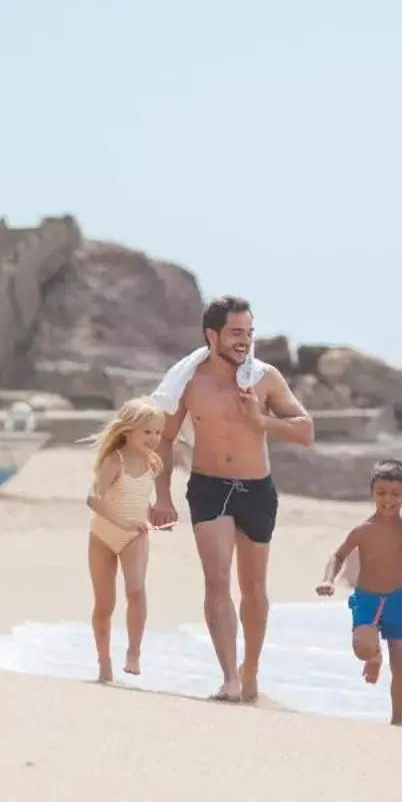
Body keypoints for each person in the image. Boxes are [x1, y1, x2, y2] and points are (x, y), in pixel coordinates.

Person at [149, 295, 315, 702]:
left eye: (249, 333)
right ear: (212, 334)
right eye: (236, 333)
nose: (245, 341)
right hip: (209, 487)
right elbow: (165, 439)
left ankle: (251, 671)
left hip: (256, 490)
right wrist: (162, 497)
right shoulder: (188, 380)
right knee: (217, 579)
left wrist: (261, 420)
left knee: (254, 587)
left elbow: (306, 430)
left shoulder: (264, 378)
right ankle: (229, 677)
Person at [317, 459, 402, 726]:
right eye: (381, 492)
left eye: (396, 494)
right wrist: (328, 579)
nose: (388, 500)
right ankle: (374, 656)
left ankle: (397, 720)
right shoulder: (363, 531)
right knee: (362, 648)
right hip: (367, 599)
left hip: (397, 600)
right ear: (372, 492)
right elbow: (338, 555)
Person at [84, 397, 167, 684]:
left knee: (136, 590)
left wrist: (151, 516)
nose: (154, 438)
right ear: (127, 430)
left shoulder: (153, 463)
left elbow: (141, 498)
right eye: (147, 432)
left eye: (158, 432)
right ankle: (104, 662)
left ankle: (133, 652)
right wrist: (122, 522)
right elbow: (93, 499)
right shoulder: (114, 460)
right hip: (103, 536)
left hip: (135, 536)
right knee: (105, 604)